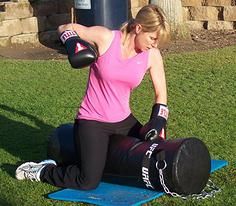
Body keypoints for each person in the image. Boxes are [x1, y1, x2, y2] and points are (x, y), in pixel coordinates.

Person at [15, 4, 170, 190]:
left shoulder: (152, 55)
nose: (154, 44)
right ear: (138, 28)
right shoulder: (106, 38)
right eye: (153, 38)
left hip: (123, 121)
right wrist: (73, 43)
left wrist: (158, 122)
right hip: (92, 121)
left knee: (156, 151)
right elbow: (64, 28)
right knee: (87, 181)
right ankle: (41, 170)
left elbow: (160, 93)